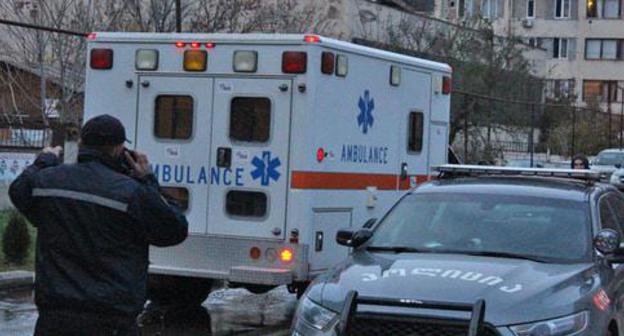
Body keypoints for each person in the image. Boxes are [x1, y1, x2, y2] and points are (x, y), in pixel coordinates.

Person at [9, 114, 188, 336]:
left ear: (82, 143)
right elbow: (175, 230)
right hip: (111, 319)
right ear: (118, 150)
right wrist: (148, 179)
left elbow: (18, 191)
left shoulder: (46, 182)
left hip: (55, 318)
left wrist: (42, 162)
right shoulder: (131, 192)